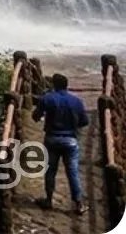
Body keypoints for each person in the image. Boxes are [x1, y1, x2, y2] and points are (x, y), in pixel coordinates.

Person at [32, 73, 89, 215]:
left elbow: (35, 116)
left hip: (52, 139)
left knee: (50, 170)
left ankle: (48, 200)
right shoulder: (77, 101)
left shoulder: (47, 98)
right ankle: (79, 204)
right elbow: (84, 122)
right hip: (70, 140)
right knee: (73, 172)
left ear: (54, 85)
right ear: (66, 85)